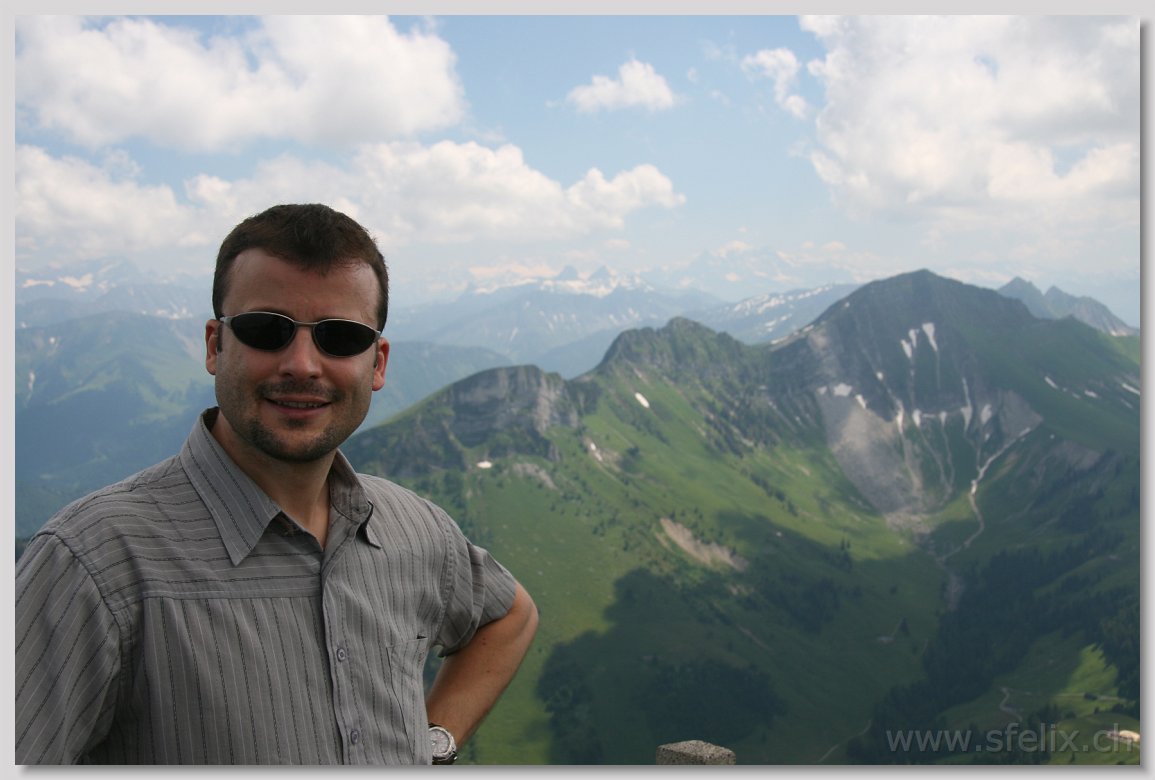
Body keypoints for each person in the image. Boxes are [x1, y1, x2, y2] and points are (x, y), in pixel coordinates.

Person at [15, 203, 539, 765]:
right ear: (215, 345)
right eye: (267, 330)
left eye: (341, 337)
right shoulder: (95, 562)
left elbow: (511, 616)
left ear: (378, 363)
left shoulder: (416, 529)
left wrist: (431, 745)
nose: (303, 365)